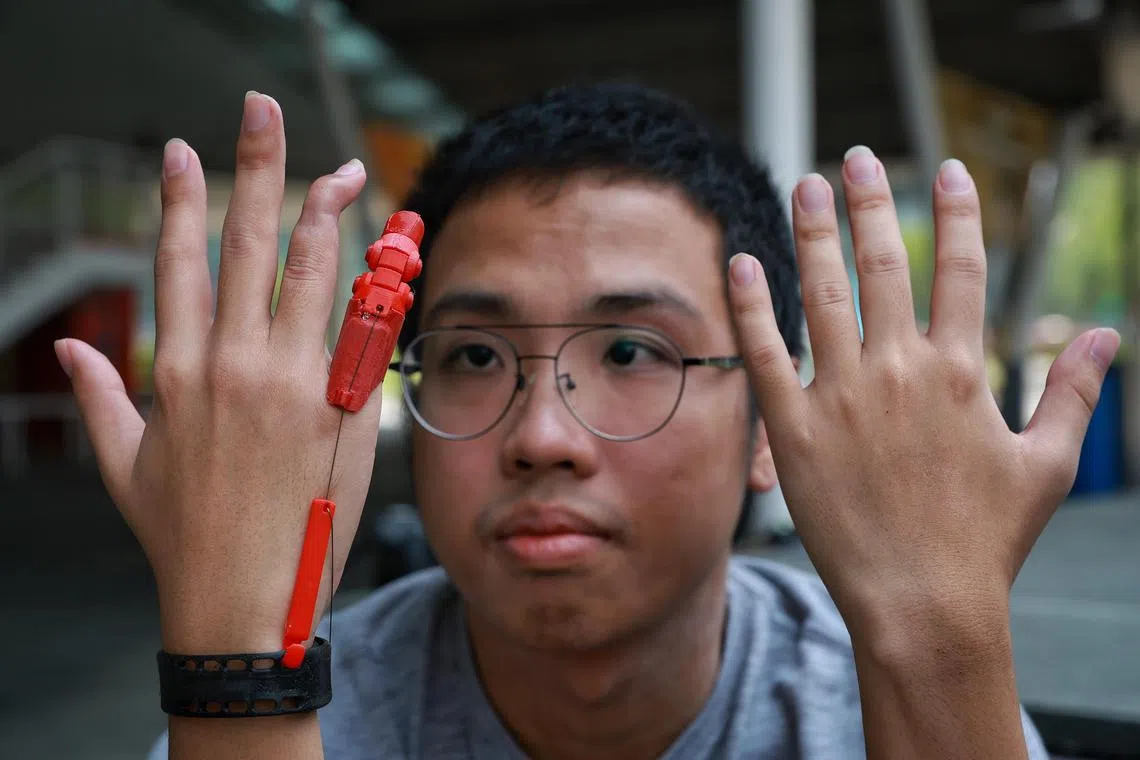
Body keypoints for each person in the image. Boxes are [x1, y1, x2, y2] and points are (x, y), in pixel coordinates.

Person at [55, 83, 1117, 759]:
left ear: (769, 430)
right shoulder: (317, 712)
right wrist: (243, 665)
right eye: (473, 356)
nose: (542, 437)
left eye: (629, 353)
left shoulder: (869, 700)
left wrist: (939, 642)